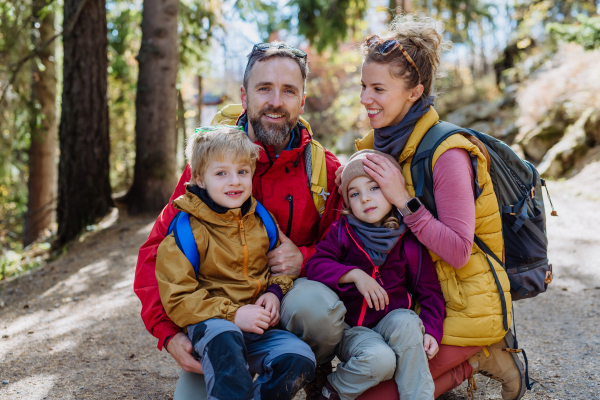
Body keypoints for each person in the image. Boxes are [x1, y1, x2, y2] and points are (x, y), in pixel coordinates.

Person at [133, 42, 346, 400]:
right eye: (265, 88)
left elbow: (345, 250)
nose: (276, 101)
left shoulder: (324, 171)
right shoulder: (209, 165)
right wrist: (168, 335)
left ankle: (311, 373)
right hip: (215, 316)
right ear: (245, 96)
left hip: (280, 308)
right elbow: (156, 254)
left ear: (302, 101)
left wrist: (303, 258)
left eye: (288, 90)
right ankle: (236, 368)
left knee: (319, 311)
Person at [335, 15, 526, 400]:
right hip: (418, 303)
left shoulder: (447, 153)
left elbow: (457, 251)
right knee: (366, 378)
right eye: (362, 86)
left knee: (371, 397)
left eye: (377, 88)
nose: (364, 99)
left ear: (413, 92)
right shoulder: (382, 144)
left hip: (465, 305)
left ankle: (482, 356)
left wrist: (404, 199)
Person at [155, 126, 315, 399]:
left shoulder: (261, 220)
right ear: (199, 179)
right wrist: (233, 315)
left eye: (242, 171)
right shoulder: (185, 230)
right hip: (213, 325)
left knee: (300, 358)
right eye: (221, 173)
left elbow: (280, 269)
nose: (235, 182)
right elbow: (178, 298)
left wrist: (275, 293)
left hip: (257, 326)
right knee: (225, 340)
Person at [306, 150, 446, 400]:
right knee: (381, 360)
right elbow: (316, 265)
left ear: (392, 191)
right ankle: (332, 389)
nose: (365, 199)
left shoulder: (408, 239)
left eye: (374, 188)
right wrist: (354, 274)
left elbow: (430, 292)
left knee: (407, 320)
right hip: (352, 330)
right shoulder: (342, 232)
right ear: (347, 202)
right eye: (355, 193)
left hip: (391, 324)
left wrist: (433, 332)